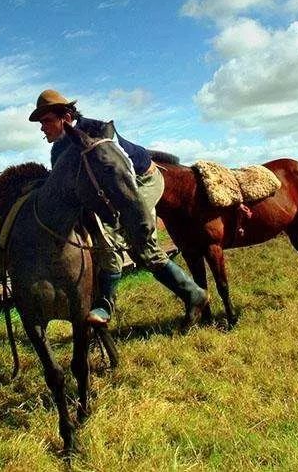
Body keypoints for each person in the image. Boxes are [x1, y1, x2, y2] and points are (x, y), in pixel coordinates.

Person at [28, 89, 208, 327]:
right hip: (115, 187)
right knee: (102, 237)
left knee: (130, 242)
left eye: (47, 121)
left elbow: (119, 172)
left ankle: (110, 303)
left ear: (66, 116)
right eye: (41, 123)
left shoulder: (97, 130)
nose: (42, 128)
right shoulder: (58, 151)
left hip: (141, 180)